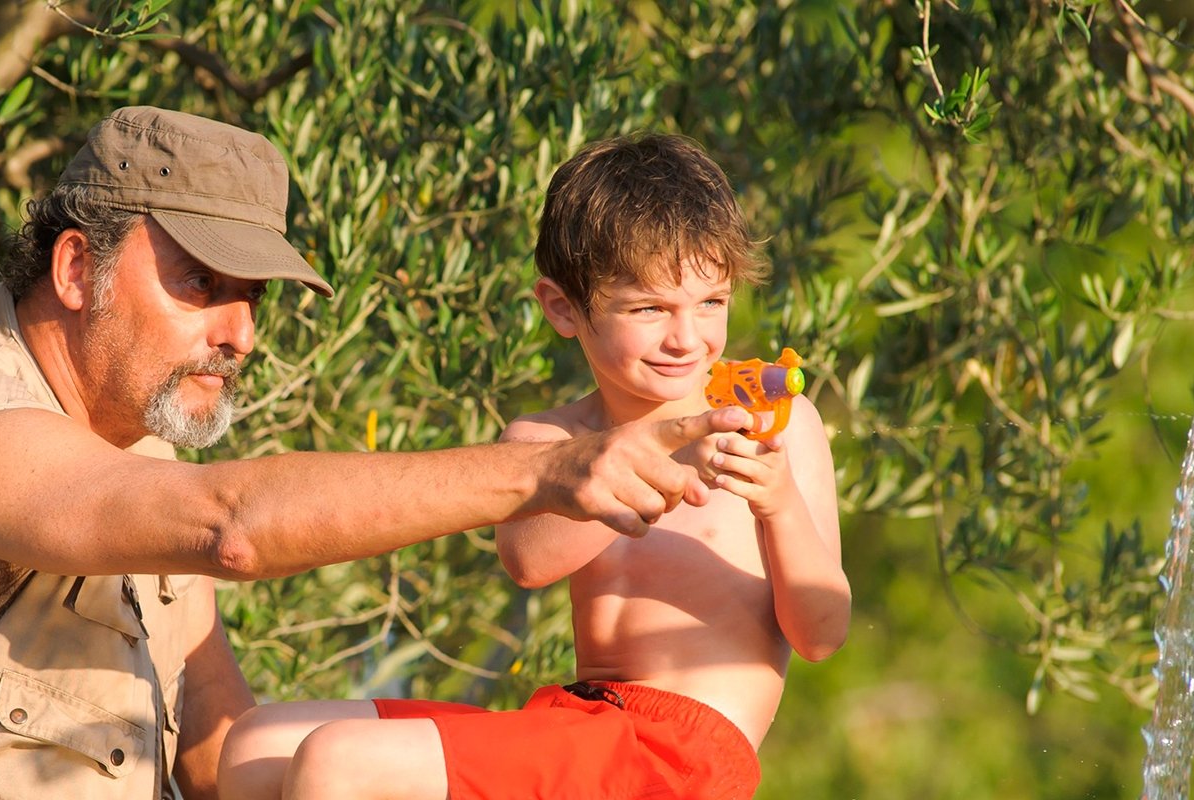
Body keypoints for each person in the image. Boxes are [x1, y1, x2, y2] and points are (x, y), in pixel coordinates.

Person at [0, 109, 751, 800]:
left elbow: (218, 761)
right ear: (77, 268)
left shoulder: (140, 491)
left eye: (251, 294)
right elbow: (232, 524)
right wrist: (551, 470)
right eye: (199, 282)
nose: (240, 330)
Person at [217, 133, 852, 800]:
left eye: (710, 304)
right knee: (257, 745)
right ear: (563, 308)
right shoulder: (549, 437)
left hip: (682, 756)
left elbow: (821, 635)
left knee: (339, 763)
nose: (686, 337)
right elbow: (531, 560)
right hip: (576, 721)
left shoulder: (775, 422)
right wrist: (654, 456)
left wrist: (778, 507)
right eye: (650, 309)